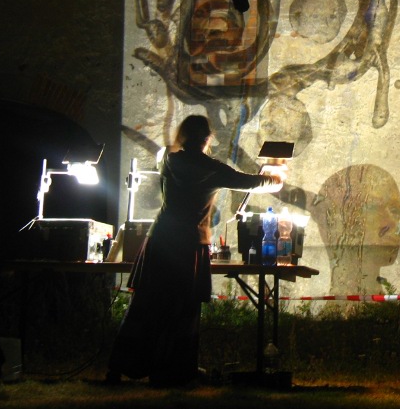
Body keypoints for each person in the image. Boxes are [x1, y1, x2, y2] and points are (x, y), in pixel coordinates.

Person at [106, 114, 286, 387]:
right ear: (207, 138)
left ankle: (120, 367)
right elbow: (250, 182)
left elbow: (166, 156)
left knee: (144, 306)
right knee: (183, 311)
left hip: (160, 239)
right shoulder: (210, 168)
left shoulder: (168, 159)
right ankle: (174, 371)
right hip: (189, 243)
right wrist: (276, 179)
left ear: (183, 135)